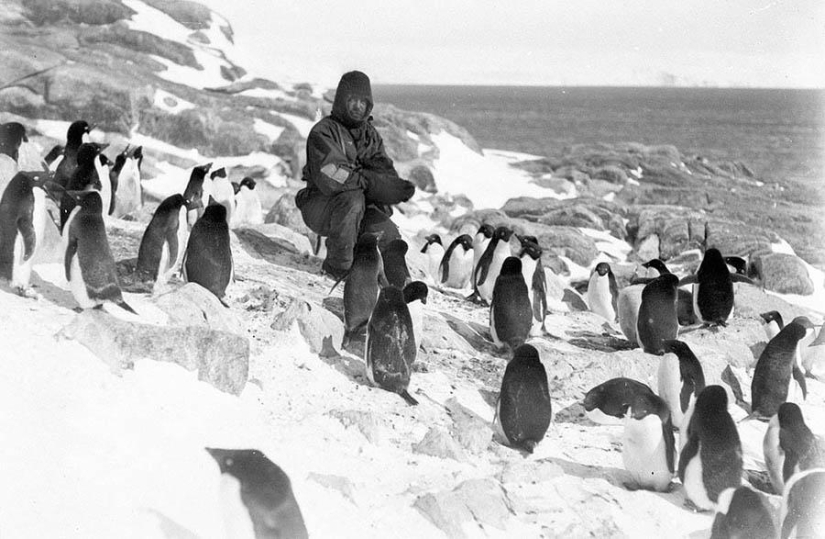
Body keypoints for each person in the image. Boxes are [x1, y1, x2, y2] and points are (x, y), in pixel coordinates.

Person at [295, 70, 415, 279]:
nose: (358, 106)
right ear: (342, 100)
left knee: (388, 233)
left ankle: (399, 285)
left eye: (363, 101)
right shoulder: (323, 132)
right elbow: (331, 176)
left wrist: (393, 188)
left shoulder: (370, 135)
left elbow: (387, 174)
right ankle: (338, 267)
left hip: (360, 207)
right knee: (353, 200)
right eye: (352, 100)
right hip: (322, 206)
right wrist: (367, 180)